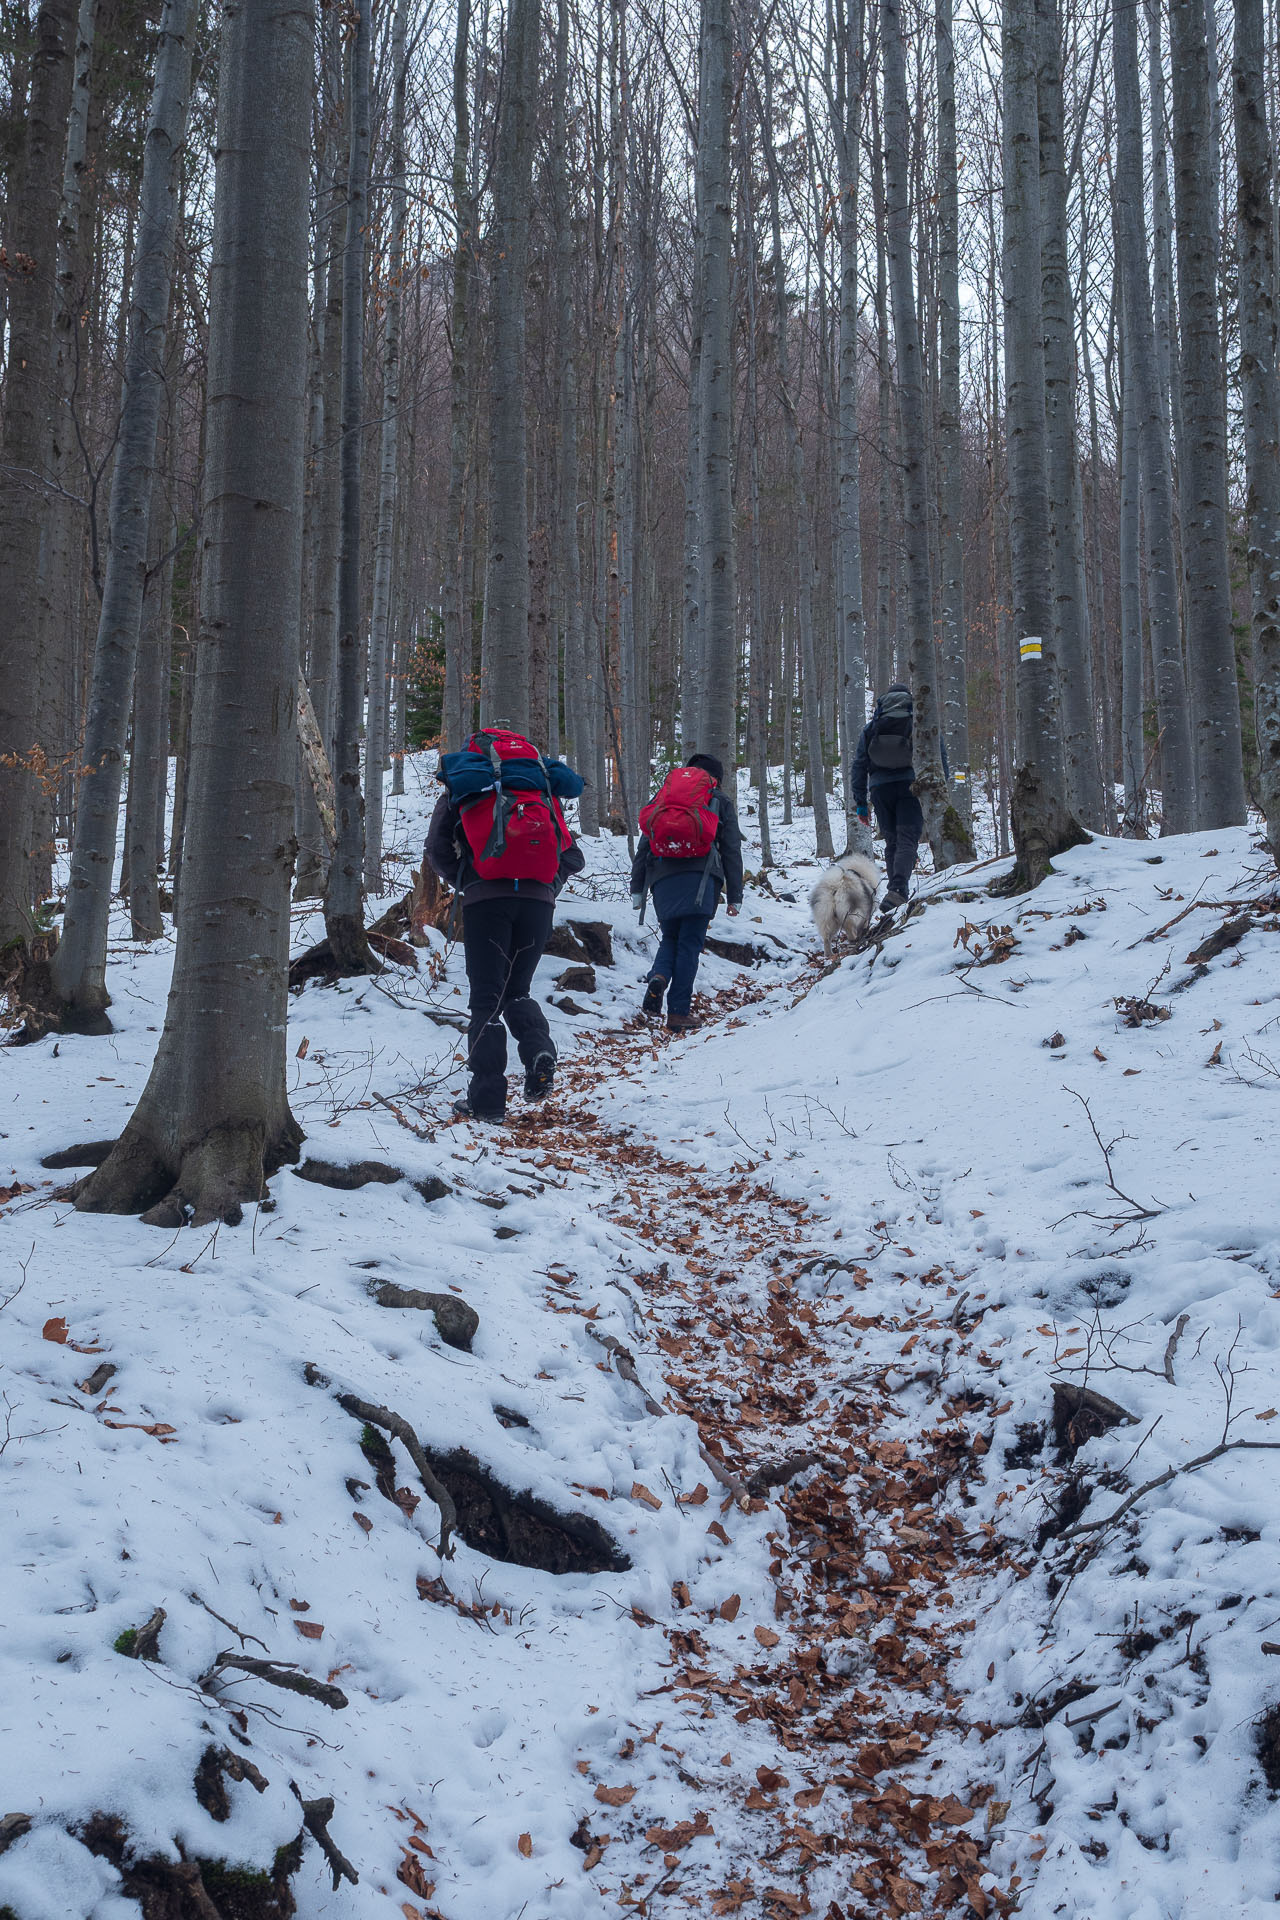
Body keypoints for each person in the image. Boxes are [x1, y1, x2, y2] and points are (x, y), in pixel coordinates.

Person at [425, 725, 585, 1123]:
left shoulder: (465, 786)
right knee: (517, 991)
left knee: (485, 1001)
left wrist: (467, 879)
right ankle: (538, 1053)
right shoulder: (540, 789)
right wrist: (548, 886)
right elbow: (572, 855)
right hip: (537, 904)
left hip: (485, 901)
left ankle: (488, 1101)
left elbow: (436, 848)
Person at [629, 753, 743, 1033]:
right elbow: (731, 849)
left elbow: (645, 844)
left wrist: (637, 888)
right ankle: (678, 1013)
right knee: (689, 945)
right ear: (717, 777)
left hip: (662, 877)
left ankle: (658, 975)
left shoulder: (665, 798)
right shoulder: (719, 800)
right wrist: (735, 895)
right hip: (701, 881)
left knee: (670, 938)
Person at [851, 682, 943, 910]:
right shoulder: (919, 725)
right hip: (911, 786)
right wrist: (941, 790)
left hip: (880, 789)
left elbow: (859, 764)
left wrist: (861, 802)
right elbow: (939, 756)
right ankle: (899, 889)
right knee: (907, 839)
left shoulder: (872, 727)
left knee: (893, 840)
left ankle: (895, 893)